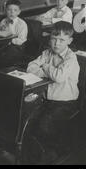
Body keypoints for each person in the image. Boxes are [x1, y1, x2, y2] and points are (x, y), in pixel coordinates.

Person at [26, 21, 80, 160]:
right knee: (28, 120)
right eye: (54, 39)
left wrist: (44, 67)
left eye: (61, 40)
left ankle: (52, 152)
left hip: (65, 101)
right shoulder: (47, 53)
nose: (56, 43)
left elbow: (59, 77)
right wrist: (48, 69)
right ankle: (37, 152)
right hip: (46, 98)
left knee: (44, 126)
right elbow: (30, 67)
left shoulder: (71, 57)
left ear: (69, 41)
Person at [0, 0, 28, 68]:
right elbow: (0, 32)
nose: (12, 12)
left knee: (7, 55)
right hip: (4, 44)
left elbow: (21, 40)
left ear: (19, 12)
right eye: (9, 10)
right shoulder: (4, 21)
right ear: (6, 11)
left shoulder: (22, 24)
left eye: (15, 10)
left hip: (17, 46)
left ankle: (2, 68)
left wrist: (9, 41)